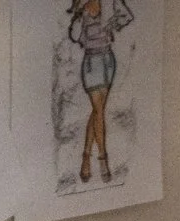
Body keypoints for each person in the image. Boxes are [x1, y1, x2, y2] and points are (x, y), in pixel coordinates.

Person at [65, 0, 133, 183]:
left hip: (108, 61)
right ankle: (103, 159)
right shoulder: (82, 8)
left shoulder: (109, 2)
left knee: (97, 112)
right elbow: (74, 35)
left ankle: (86, 157)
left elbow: (127, 16)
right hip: (91, 64)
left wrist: (112, 25)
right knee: (99, 111)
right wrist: (80, 11)